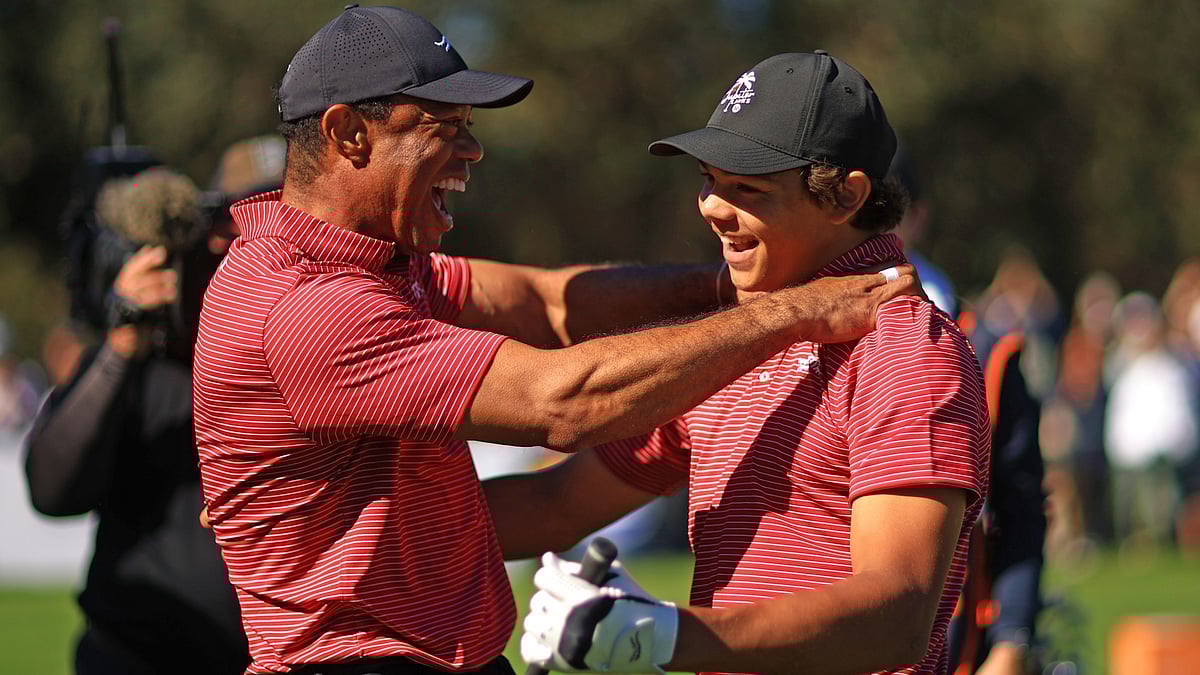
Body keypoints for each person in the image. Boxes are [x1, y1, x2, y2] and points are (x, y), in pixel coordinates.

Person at [192, 8, 918, 675]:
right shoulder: (306, 307)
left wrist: (728, 288)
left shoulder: (382, 264)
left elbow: (548, 300)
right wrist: (790, 311)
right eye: (446, 124)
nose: (474, 150)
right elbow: (562, 402)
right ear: (350, 132)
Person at [507, 51, 990, 675]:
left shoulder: (904, 348)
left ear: (847, 195)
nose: (710, 207)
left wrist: (662, 635)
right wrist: (368, 541)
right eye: (709, 179)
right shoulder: (747, 332)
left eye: (747, 188)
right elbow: (558, 503)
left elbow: (897, 614)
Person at [23, 156, 274, 674]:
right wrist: (122, 344)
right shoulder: (143, 355)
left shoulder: (313, 354)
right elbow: (52, 491)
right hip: (134, 656)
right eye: (231, 232)